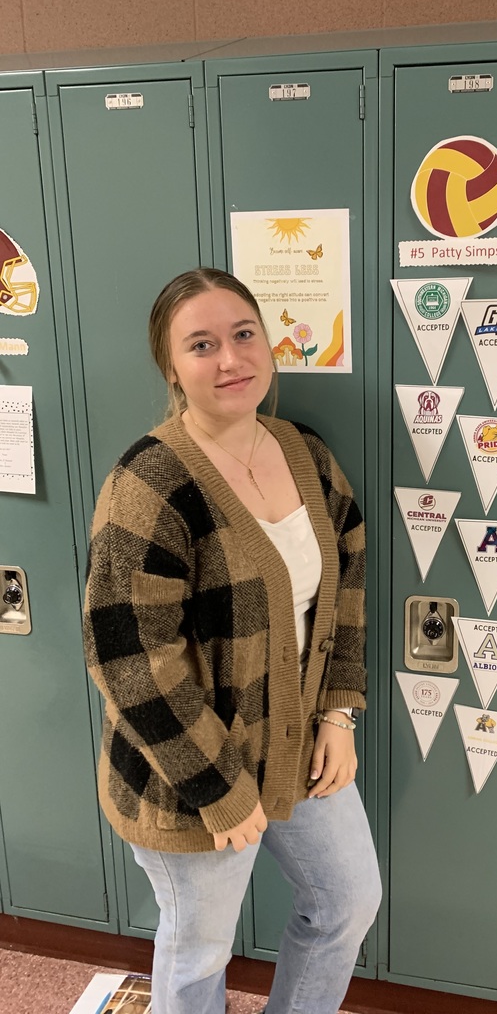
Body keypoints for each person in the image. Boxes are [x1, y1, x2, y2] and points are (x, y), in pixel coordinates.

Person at [83, 268, 381, 1014]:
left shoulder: (304, 452)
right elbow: (128, 659)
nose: (230, 359)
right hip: (184, 770)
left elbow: (346, 581)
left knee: (347, 901)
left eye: (244, 334)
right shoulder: (148, 483)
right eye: (201, 344)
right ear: (171, 366)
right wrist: (215, 785)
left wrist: (339, 712)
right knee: (199, 951)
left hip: (296, 740)